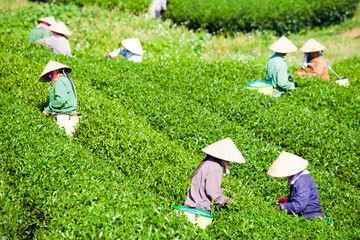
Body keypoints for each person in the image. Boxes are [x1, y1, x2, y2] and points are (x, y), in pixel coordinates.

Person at [185, 137, 246, 212]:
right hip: (200, 210)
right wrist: (230, 202)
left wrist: (226, 191)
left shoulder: (207, 162)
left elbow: (206, 186)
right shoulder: (215, 167)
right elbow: (213, 194)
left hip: (190, 207)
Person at [268, 152, 325, 219]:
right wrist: (287, 199)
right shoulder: (301, 177)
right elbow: (299, 196)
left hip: (310, 216)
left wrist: (281, 208)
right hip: (306, 215)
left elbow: (298, 206)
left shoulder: (301, 181)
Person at [39, 61, 80, 136]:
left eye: (51, 74)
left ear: (56, 71)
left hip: (63, 116)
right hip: (69, 114)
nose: (50, 77)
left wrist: (47, 109)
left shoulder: (60, 81)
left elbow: (60, 100)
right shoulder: (66, 79)